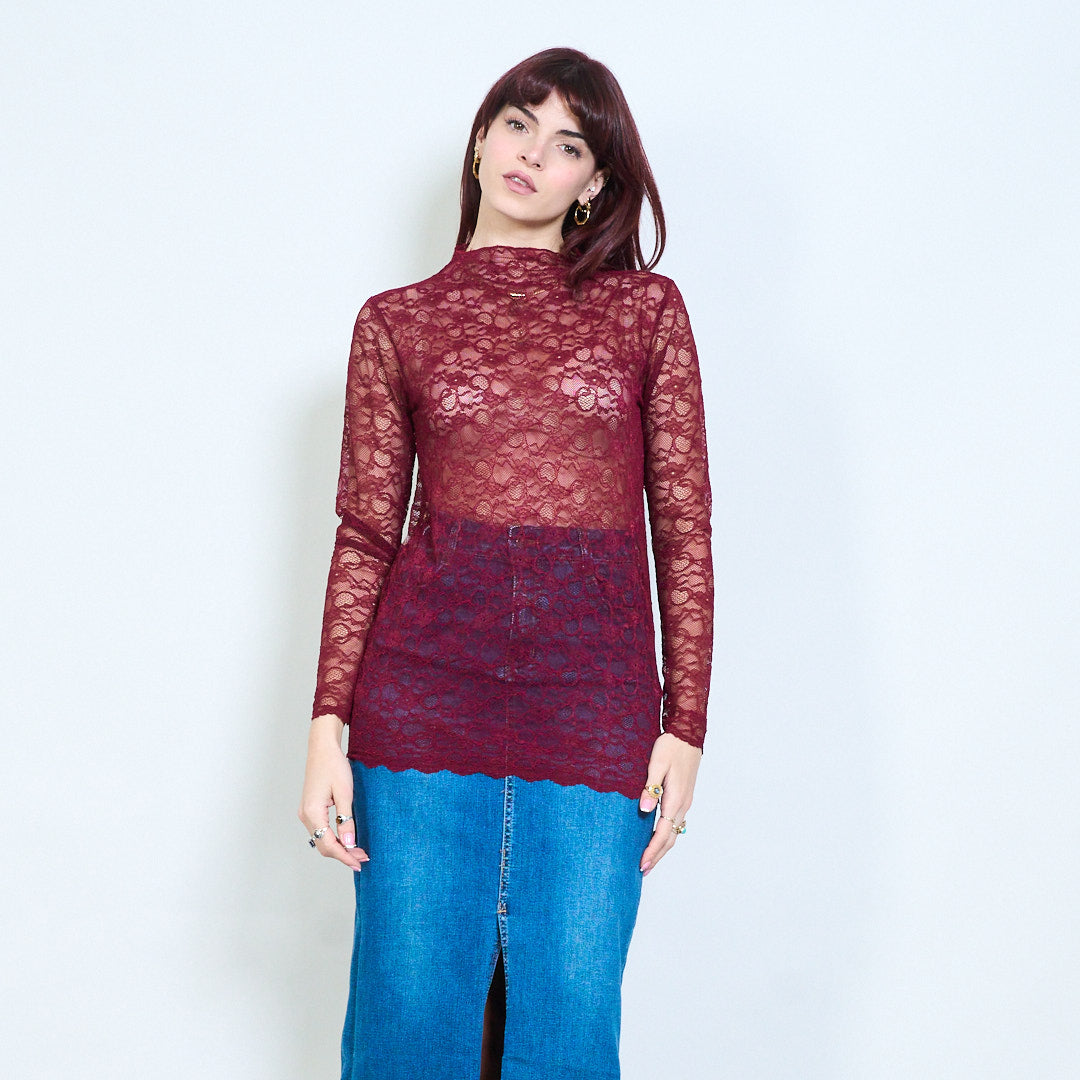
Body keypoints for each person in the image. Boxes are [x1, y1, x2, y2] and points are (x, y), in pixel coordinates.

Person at [298, 46, 713, 1080]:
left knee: (569, 1030)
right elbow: (365, 533)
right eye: (520, 124)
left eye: (568, 145)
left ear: (595, 183)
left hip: (595, 710)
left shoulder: (646, 313)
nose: (533, 154)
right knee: (407, 1026)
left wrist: (687, 724)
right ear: (483, 137)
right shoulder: (396, 322)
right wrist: (326, 729)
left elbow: (684, 526)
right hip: (420, 706)